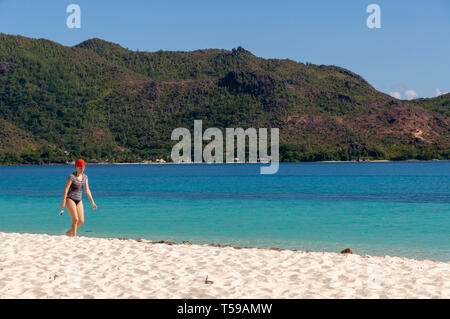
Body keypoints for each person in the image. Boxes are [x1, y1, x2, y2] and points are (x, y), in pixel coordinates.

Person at [60, 159, 97, 236]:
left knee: (81, 221)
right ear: (76, 167)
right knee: (75, 219)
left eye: (83, 167)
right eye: (80, 168)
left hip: (79, 200)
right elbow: (66, 189)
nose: (81, 169)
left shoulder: (85, 177)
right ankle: (74, 237)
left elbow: (87, 190)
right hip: (70, 199)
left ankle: (69, 232)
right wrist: (63, 201)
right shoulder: (72, 176)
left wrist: (92, 202)